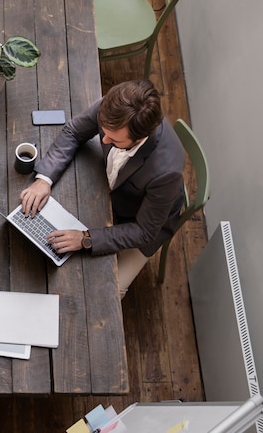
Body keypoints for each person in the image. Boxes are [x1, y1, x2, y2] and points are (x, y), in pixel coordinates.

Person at [20, 79, 185, 298]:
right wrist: (44, 179)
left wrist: (86, 239)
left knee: (108, 292)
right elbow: (74, 131)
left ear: (139, 139)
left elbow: (143, 231)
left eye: (113, 139)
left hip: (139, 221)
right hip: (108, 188)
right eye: (103, 132)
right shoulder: (115, 107)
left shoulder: (167, 173)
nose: (104, 140)